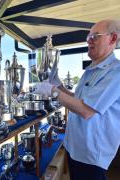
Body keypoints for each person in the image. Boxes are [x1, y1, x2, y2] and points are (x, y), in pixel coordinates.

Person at [34, 19, 120, 180]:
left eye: (95, 36)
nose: (88, 41)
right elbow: (78, 99)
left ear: (113, 39)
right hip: (76, 148)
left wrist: (52, 92)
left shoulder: (115, 72)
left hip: (91, 154)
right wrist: (59, 86)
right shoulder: (92, 70)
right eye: (88, 37)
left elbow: (86, 110)